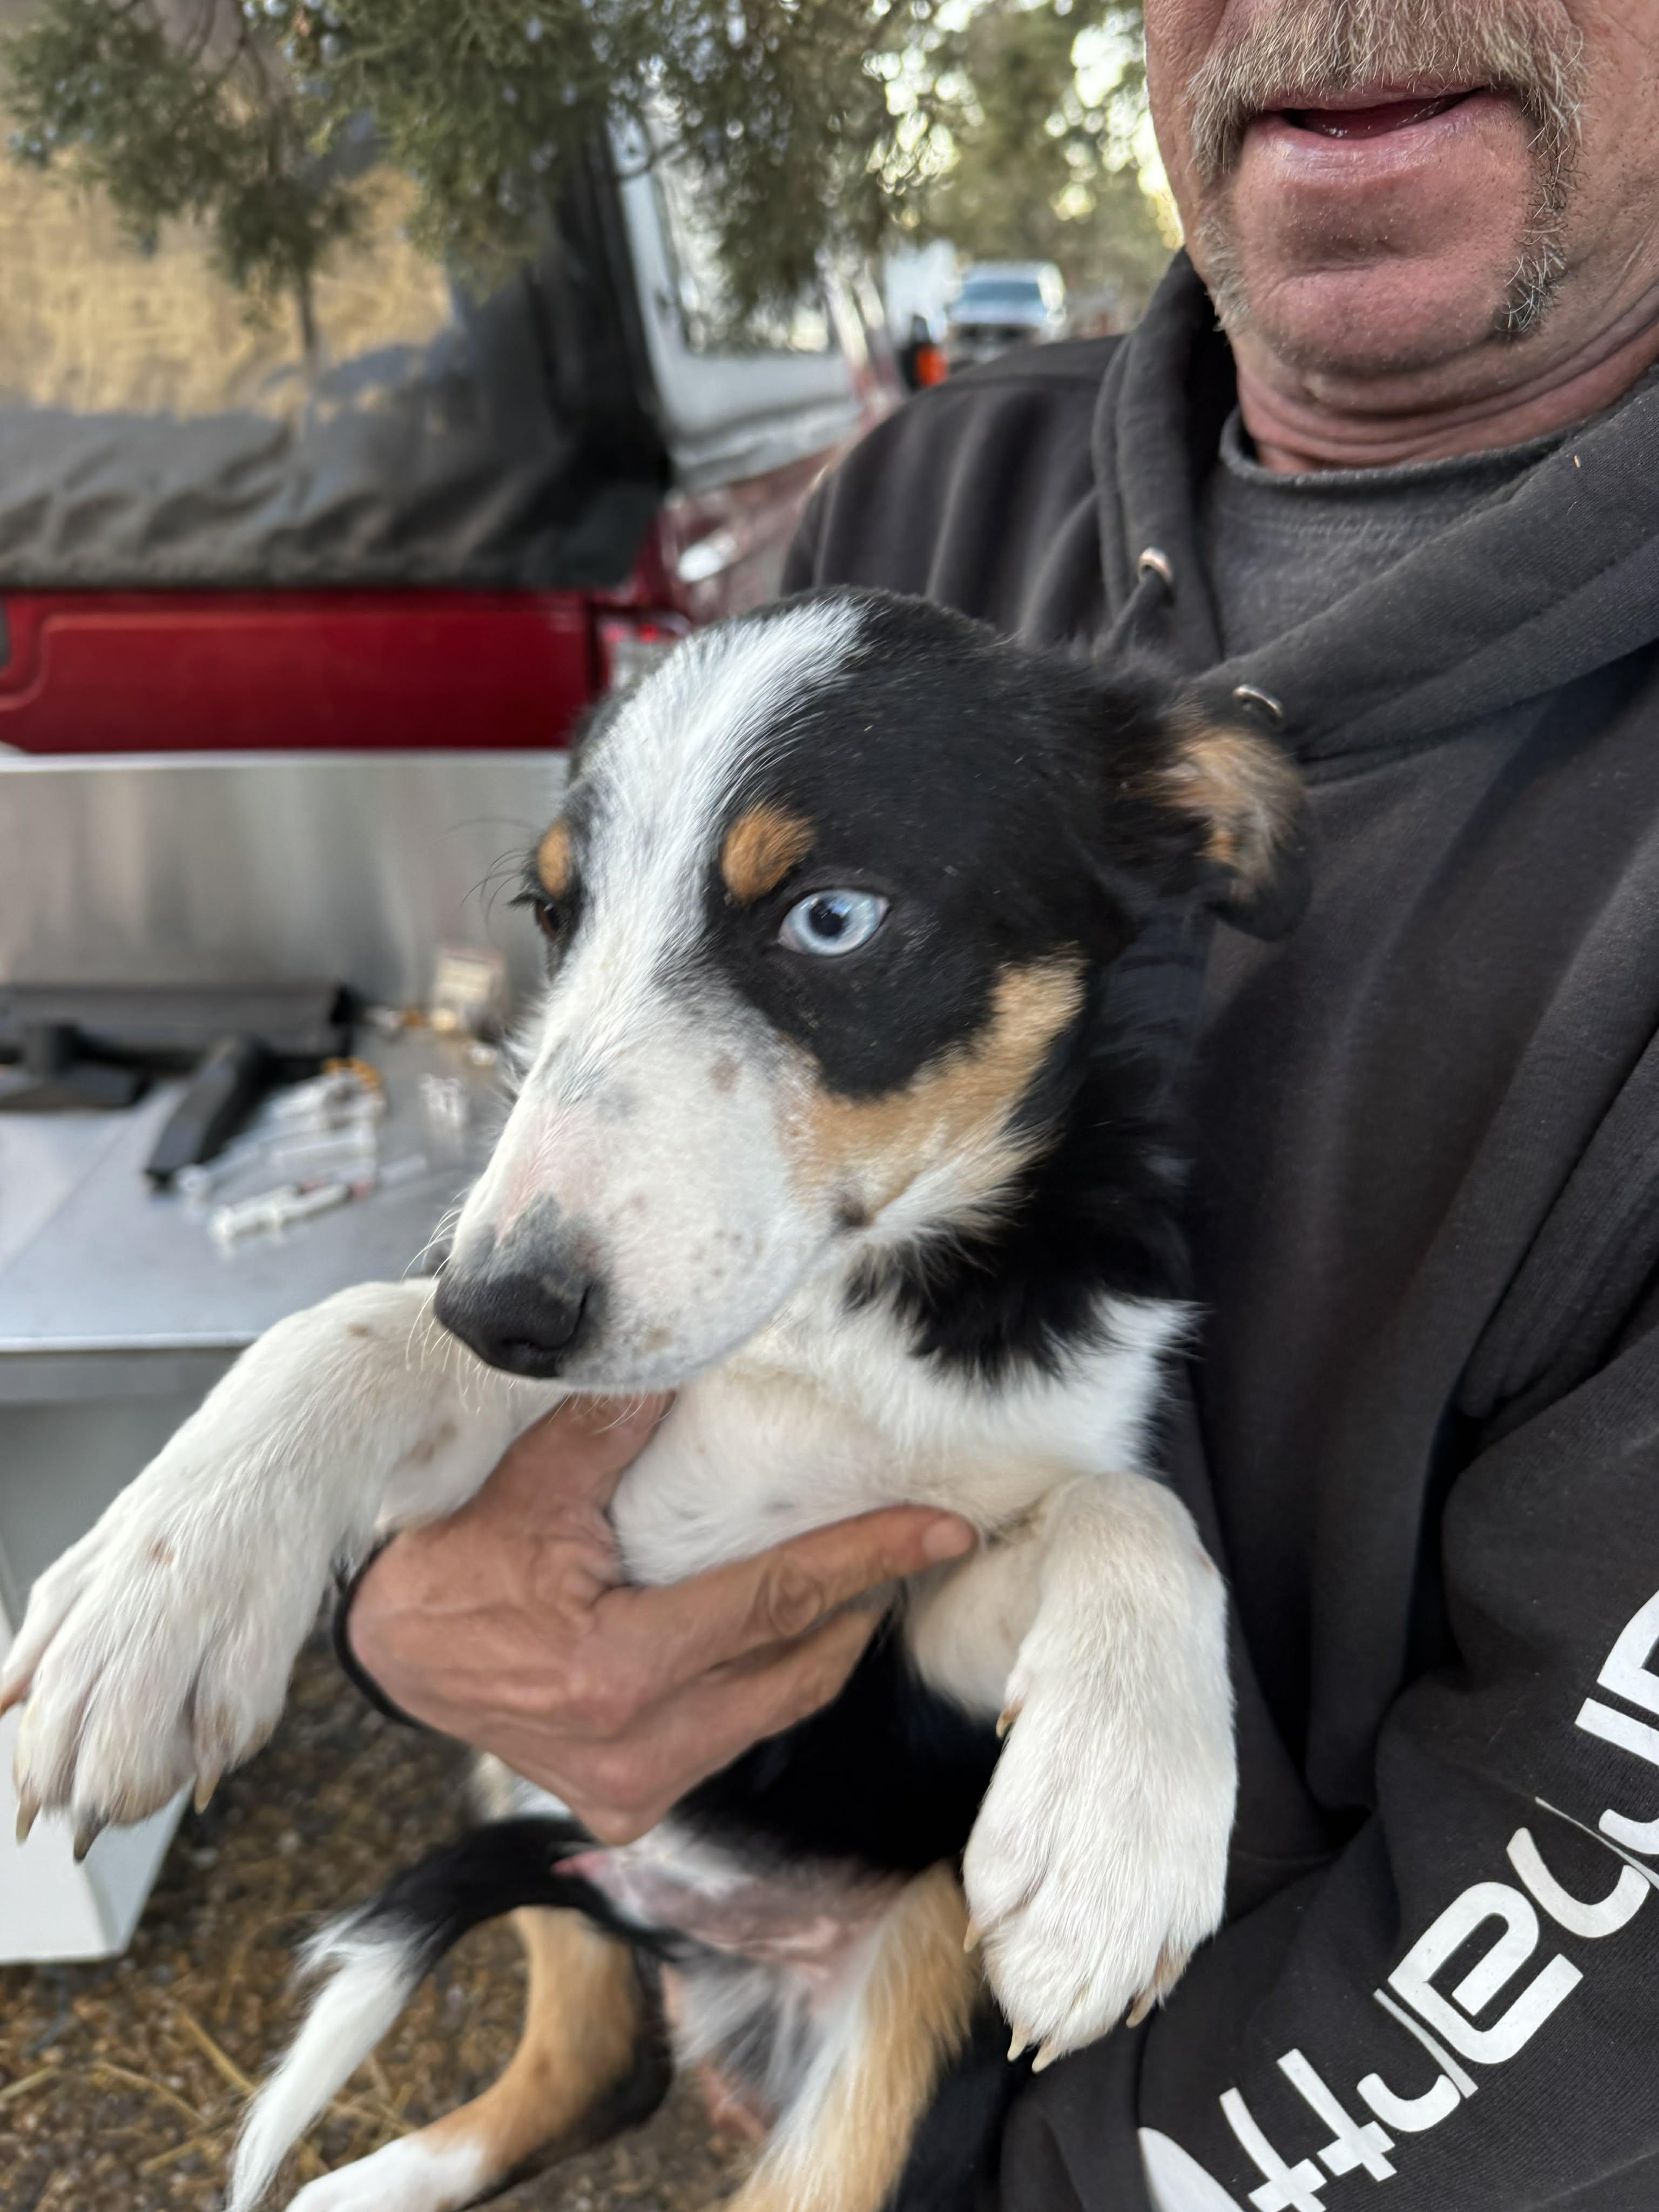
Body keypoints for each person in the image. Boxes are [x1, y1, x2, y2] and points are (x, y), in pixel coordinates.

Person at [341, 2, 1659, 2203]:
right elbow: (620, 1199)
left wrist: (969, 2155)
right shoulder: (926, 492)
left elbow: (1589, 1908)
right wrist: (412, 1598)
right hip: (825, 1870)